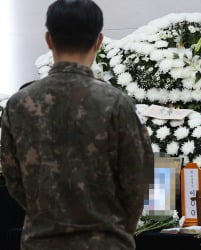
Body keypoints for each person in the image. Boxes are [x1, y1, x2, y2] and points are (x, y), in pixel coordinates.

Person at [0, 0, 153, 249]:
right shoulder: (116, 104)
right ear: (99, 41)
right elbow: (138, 181)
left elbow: (14, 180)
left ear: (49, 40)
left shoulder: (19, 105)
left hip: (41, 242)